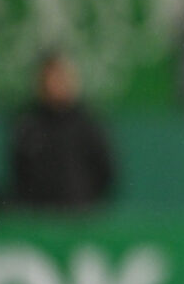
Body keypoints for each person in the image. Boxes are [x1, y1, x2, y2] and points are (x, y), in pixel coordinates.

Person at [8, 51, 115, 209]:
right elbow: (18, 174)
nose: (58, 83)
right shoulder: (27, 123)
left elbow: (105, 172)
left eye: (63, 76)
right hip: (39, 218)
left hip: (80, 217)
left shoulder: (89, 123)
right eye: (52, 77)